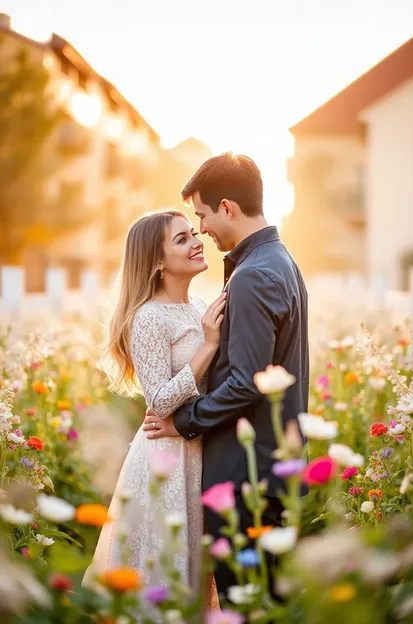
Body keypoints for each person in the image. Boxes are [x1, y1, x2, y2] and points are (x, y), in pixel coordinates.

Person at [143, 153, 309, 602]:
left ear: (228, 207)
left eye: (202, 215)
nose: (203, 229)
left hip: (244, 473)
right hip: (264, 466)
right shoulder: (278, 261)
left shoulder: (254, 274)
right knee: (261, 600)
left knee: (247, 602)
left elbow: (245, 382)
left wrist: (182, 421)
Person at [83, 210, 224, 614]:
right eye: (181, 239)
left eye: (194, 233)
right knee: (165, 569)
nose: (196, 242)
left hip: (197, 446)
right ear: (157, 261)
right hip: (166, 456)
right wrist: (208, 346)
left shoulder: (199, 303)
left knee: (196, 573)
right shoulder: (147, 317)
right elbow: (159, 401)